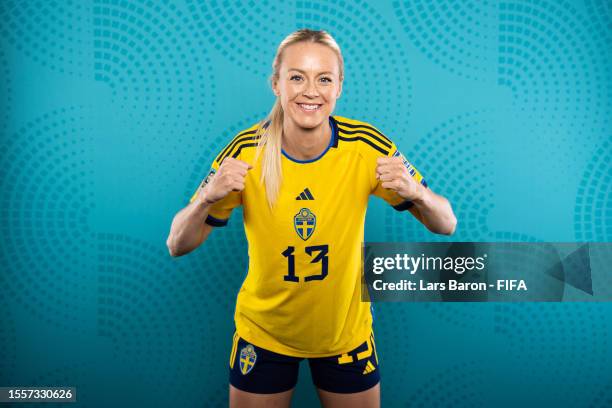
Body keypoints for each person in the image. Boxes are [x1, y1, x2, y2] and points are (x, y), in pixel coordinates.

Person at [166, 28, 456, 408]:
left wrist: (416, 191)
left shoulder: (366, 146)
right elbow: (177, 244)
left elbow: (445, 223)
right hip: (264, 334)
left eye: (324, 79)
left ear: (339, 87)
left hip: (344, 336)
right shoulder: (246, 151)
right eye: (297, 77)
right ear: (276, 84)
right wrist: (207, 197)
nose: (310, 91)